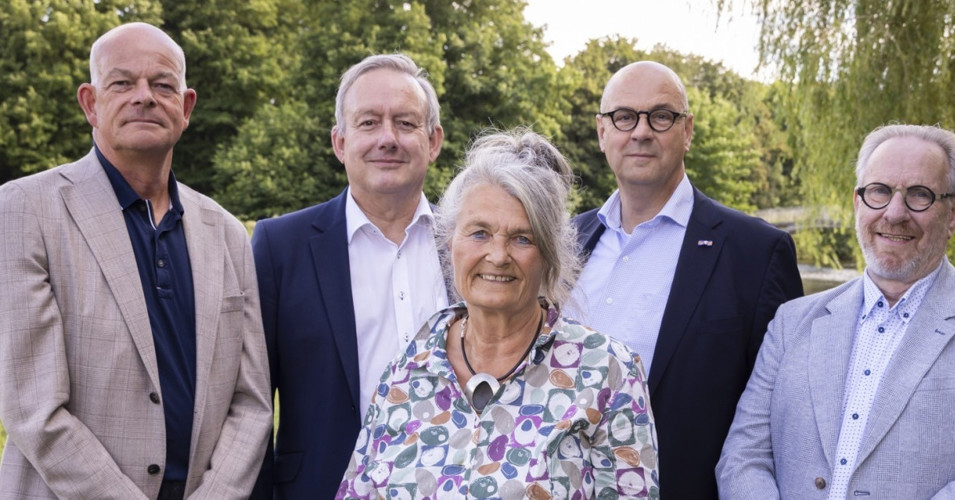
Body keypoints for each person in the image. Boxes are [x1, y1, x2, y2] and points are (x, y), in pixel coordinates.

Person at [0, 22, 272, 499]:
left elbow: (250, 404)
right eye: (122, 83)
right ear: (90, 102)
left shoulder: (227, 232)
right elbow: (33, 407)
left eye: (162, 85)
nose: (144, 97)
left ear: (185, 108)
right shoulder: (24, 211)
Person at [337, 129, 660, 499]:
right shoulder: (409, 368)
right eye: (479, 233)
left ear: (549, 255)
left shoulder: (607, 373)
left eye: (522, 238)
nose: (498, 255)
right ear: (450, 241)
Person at [716, 124, 955, 499]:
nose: (894, 213)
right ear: (857, 202)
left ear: (953, 213)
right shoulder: (791, 322)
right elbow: (742, 457)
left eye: (920, 195)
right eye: (879, 191)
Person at [567, 61, 804, 499]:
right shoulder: (564, 242)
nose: (640, 132)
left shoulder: (755, 253)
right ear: (603, 132)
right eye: (624, 117)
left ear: (687, 130)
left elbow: (784, 420)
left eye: (660, 116)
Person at [250, 54, 449, 498]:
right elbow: (249, 405)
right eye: (368, 123)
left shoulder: (470, 246)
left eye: (405, 122)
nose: (387, 139)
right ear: (339, 142)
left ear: (433, 141)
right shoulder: (280, 247)